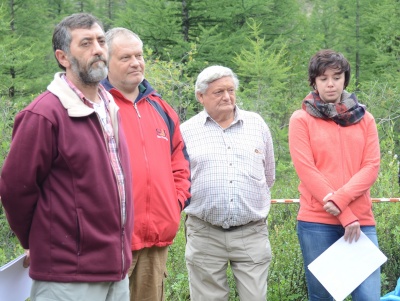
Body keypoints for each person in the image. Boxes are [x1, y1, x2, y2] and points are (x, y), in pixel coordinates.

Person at [0, 13, 133, 301]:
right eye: (85, 43)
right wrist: (32, 241)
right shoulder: (44, 114)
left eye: (100, 41)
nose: (98, 49)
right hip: (67, 275)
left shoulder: (109, 106)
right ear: (63, 57)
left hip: (116, 270)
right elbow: (15, 188)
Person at [101, 28, 191, 301]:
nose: (136, 62)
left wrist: (174, 204)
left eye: (139, 55)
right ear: (105, 62)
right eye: (125, 57)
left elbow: (181, 164)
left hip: (155, 240)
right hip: (110, 241)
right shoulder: (96, 107)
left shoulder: (160, 108)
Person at [288, 49, 381, 300]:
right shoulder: (301, 119)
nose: (330, 84)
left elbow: (371, 166)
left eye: (337, 77)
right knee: (323, 297)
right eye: (323, 78)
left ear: (345, 79)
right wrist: (344, 213)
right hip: (317, 222)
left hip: (362, 222)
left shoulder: (365, 119)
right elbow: (307, 170)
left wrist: (342, 205)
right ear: (314, 82)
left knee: (369, 296)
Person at [180, 65, 275, 301]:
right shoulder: (186, 131)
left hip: (251, 232)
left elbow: (269, 175)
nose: (227, 97)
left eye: (230, 90)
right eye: (218, 92)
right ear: (200, 96)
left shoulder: (257, 125)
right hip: (204, 234)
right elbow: (179, 180)